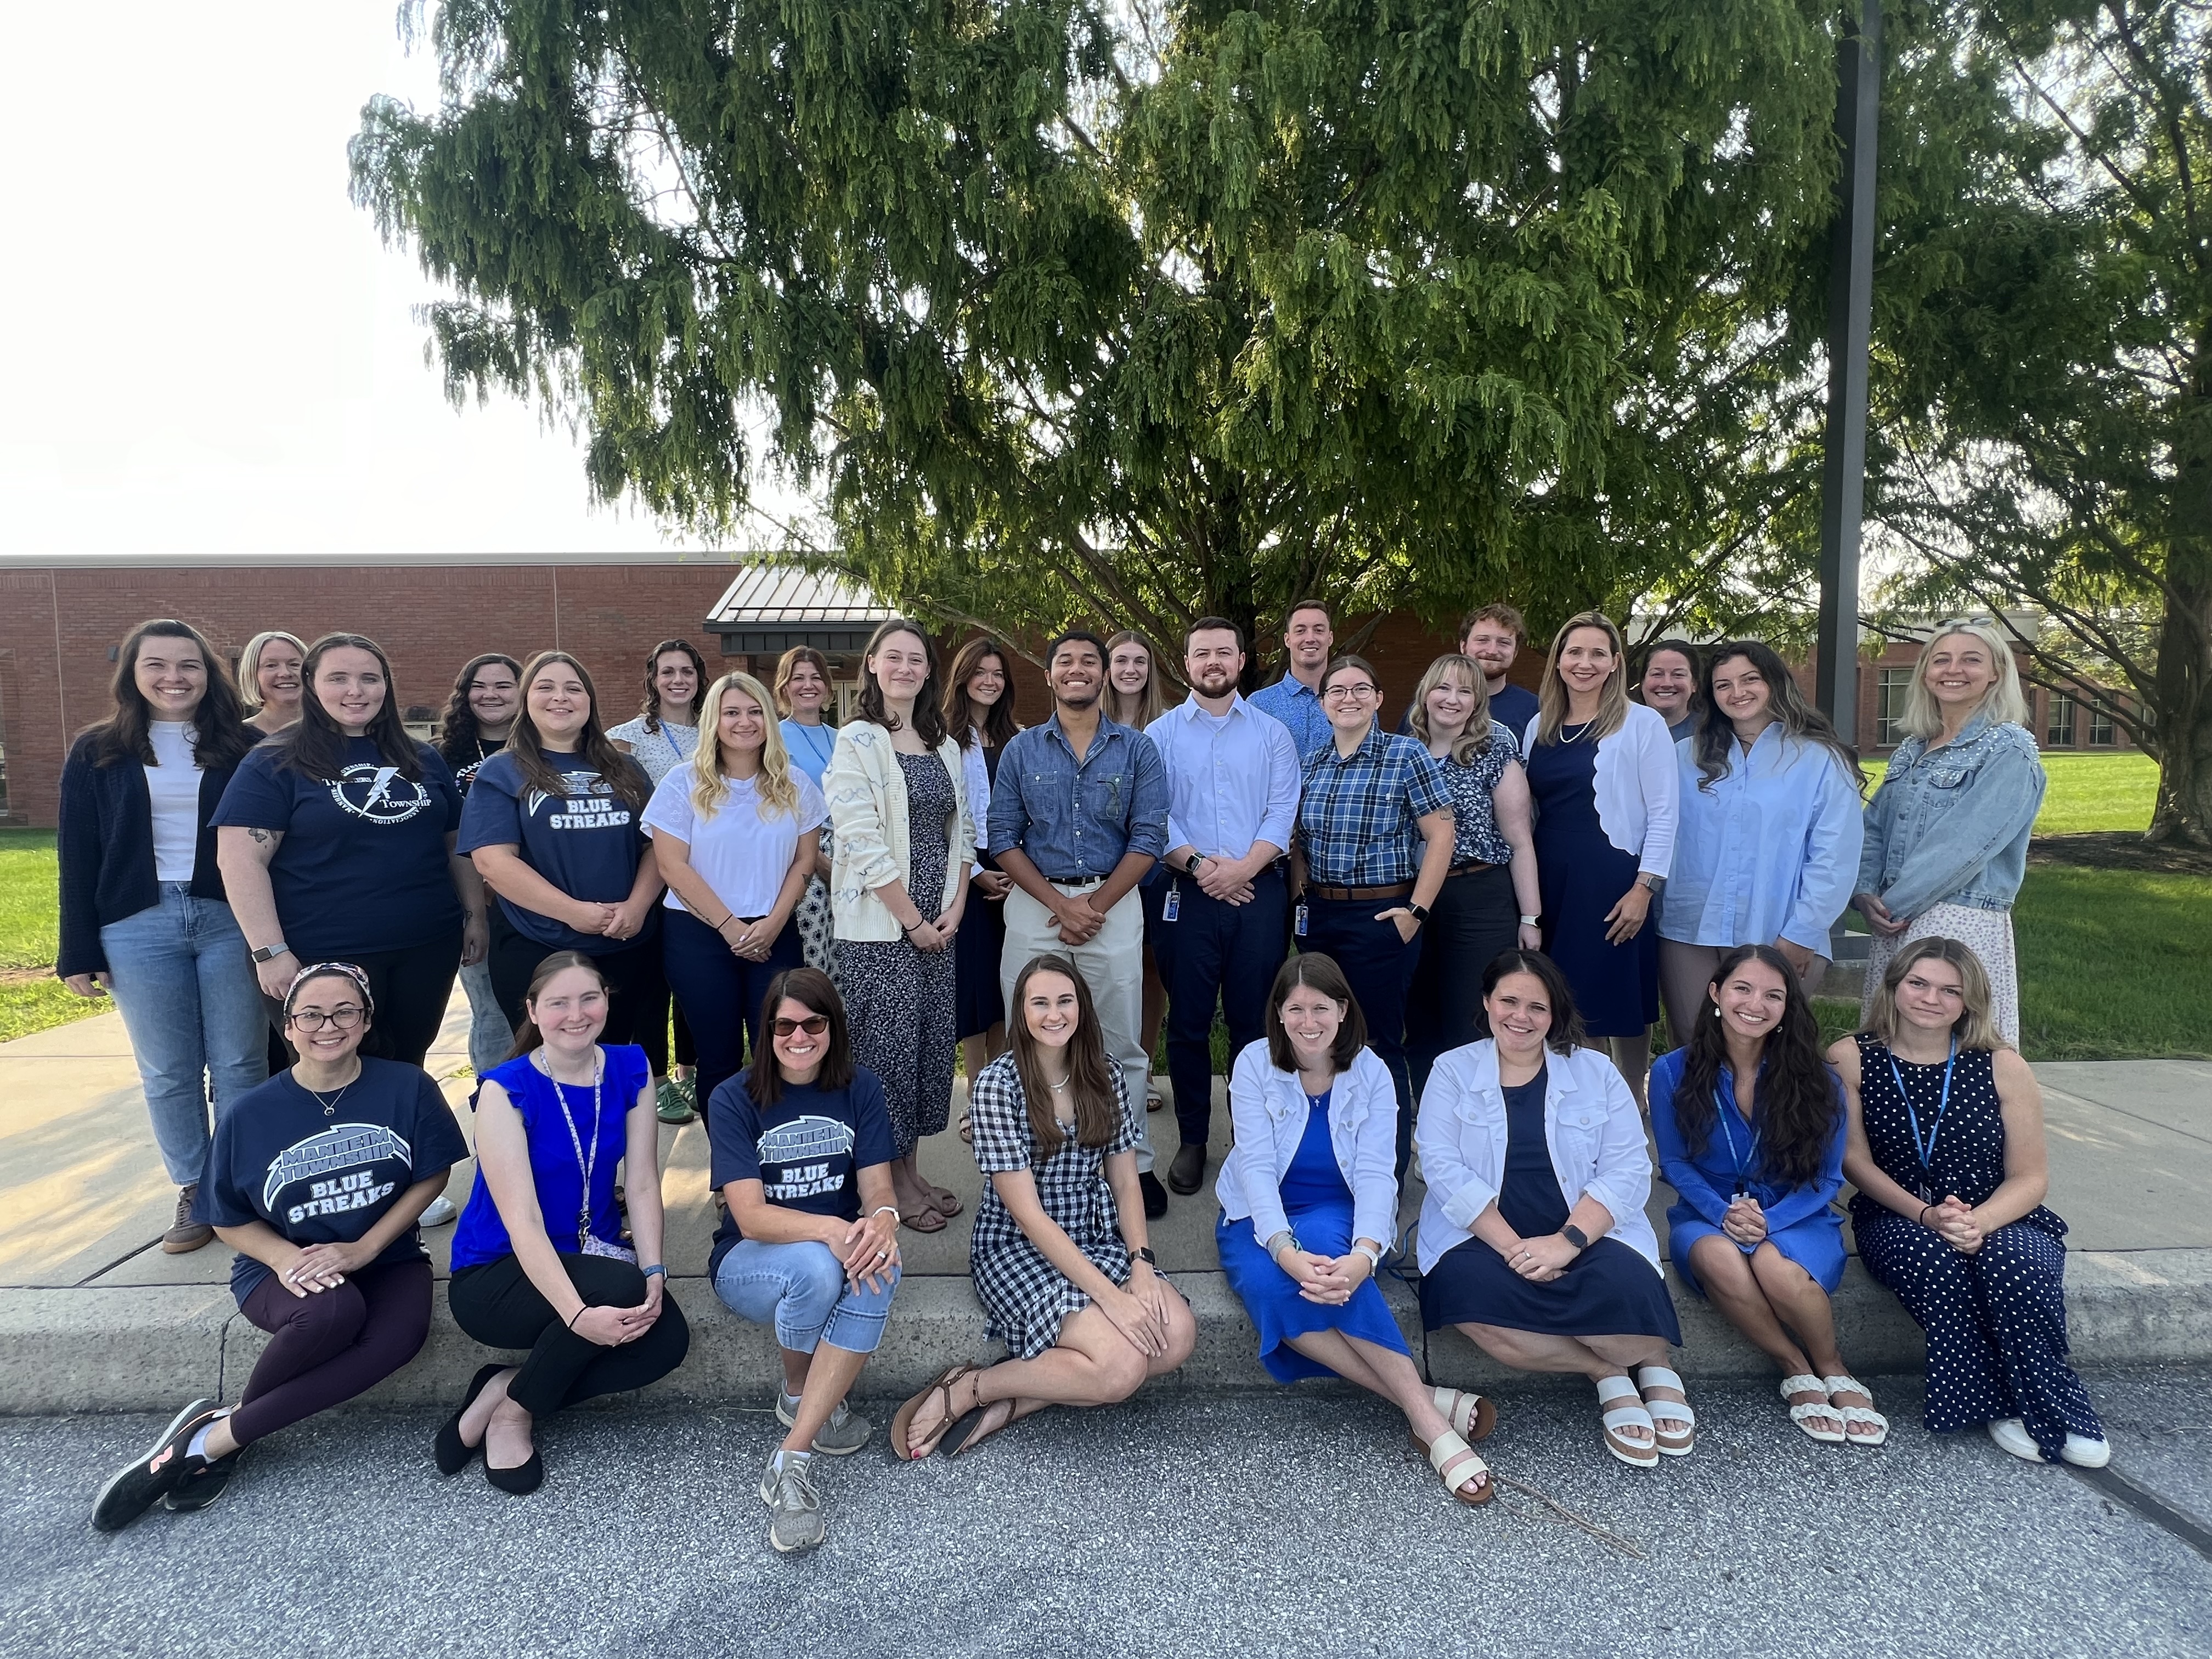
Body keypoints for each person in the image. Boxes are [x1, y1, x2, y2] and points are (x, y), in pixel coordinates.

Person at [88, 963, 468, 1530]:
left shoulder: (406, 1087)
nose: (328, 1025)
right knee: (332, 1312)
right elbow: (225, 1220)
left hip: (386, 1257)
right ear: (288, 1028)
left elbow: (430, 1178)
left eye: (345, 1011)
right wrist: (287, 1259)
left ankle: (214, 1438)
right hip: (277, 1267)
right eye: (310, 1014)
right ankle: (215, 1442)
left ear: (365, 1022)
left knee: (398, 1338)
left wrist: (364, 1248)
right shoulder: (250, 1113)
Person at [1217, 955, 1496, 1504]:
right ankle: (1423, 1408)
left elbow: (1374, 1173)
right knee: (1275, 1286)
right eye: (1294, 1008)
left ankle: (1427, 1422)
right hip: (1256, 1212)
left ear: (1343, 1011)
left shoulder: (1372, 1072)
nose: (1308, 1021)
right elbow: (1253, 1167)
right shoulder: (1253, 1063)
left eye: (1320, 1007)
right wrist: (1281, 1248)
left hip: (1335, 1206)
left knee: (1332, 1262)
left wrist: (1366, 1253)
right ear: (1278, 1013)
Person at [891, 956, 1195, 1458]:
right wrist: (1112, 1298)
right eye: (1040, 1003)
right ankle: (970, 1388)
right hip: (1017, 1247)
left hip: (1093, 1235)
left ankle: (1019, 1398)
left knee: (1178, 1335)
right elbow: (1029, 1218)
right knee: (1121, 1368)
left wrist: (1142, 1266)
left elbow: (1124, 1183)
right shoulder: (998, 1085)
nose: (1054, 1015)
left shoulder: (1106, 1073)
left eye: (1064, 1001)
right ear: (1022, 1011)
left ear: (1082, 1007)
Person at [1832, 938, 2108, 1467]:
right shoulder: (1852, 1057)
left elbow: (2031, 1176)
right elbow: (1855, 1163)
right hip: (1897, 1213)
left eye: (1949, 990)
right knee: (1936, 1263)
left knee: (2016, 1262)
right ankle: (2004, 1402)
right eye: (1918, 983)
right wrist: (1927, 1215)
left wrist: (1977, 1222)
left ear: (1970, 1001)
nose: (1930, 998)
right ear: (1894, 987)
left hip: (1998, 1211)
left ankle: (2059, 1401)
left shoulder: (2002, 1065)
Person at [1414, 951, 1692, 1468]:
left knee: (1634, 1314)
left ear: (1555, 1013)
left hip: (1585, 1232)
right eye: (1509, 1002)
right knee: (1473, 1307)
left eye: (1536, 1007)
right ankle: (1607, 1374)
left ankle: (1651, 1357)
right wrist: (1519, 1252)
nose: (1521, 1017)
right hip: (1485, 1237)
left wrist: (1566, 1243)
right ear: (1487, 1003)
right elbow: (1443, 1169)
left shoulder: (1597, 1072)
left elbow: (1630, 1168)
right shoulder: (1451, 1071)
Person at [443, 953, 690, 1493]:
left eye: (589, 999)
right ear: (533, 1012)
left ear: (607, 1001)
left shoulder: (631, 1067)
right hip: (498, 1275)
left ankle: (505, 1388)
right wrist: (578, 1317)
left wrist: (654, 1270)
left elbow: (644, 1182)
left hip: (596, 1261)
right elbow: (524, 1223)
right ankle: (517, 1415)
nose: (575, 1015)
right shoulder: (503, 1090)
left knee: (667, 1340)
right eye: (558, 1003)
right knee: (620, 1291)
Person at [58, 619, 267, 1254]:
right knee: (169, 1071)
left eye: (189, 666)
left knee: (240, 1063)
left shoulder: (241, 748)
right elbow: (79, 852)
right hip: (136, 923)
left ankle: (240, 1189)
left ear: (210, 676)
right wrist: (78, 950)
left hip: (228, 916)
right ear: (133, 674)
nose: (174, 677)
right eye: (158, 665)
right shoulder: (98, 749)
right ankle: (193, 1187)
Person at [213, 633, 487, 1070]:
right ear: (312, 684)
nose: (356, 691)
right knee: (331, 1074)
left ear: (386, 686)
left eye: (369, 678)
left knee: (406, 1066)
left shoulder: (421, 758)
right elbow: (241, 859)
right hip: (319, 953)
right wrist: (269, 951)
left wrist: (475, 915)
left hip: (425, 948)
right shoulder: (274, 761)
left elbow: (455, 841)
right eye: (338, 678)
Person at [1649, 945, 1884, 1446]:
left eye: (1773, 995)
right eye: (1742, 988)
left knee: (1776, 1266)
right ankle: (1793, 1364)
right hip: (1707, 1210)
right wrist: (1723, 1212)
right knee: (1718, 1256)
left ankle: (1832, 1363)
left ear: (1787, 1006)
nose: (1755, 1004)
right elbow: (1674, 1163)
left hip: (1796, 1212)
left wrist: (1768, 1223)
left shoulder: (1820, 1080)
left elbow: (1825, 1180)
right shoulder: (1672, 1070)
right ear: (1716, 993)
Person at [708, 968, 900, 1553]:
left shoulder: (860, 1087)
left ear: (832, 1028)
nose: (799, 1036)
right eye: (784, 1025)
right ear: (765, 1031)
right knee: (818, 1267)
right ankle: (799, 1388)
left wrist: (885, 1222)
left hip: (835, 1244)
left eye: (814, 1023)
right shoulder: (732, 1097)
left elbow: (878, 1190)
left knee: (881, 1264)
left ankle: (792, 1457)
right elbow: (750, 1217)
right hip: (750, 1260)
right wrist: (832, 1231)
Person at [988, 630, 1170, 1216]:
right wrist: (1060, 905)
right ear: (1049, 676)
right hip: (1035, 903)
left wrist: (1093, 905)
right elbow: (1001, 838)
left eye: (1089, 662)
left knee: (1119, 1042)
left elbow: (1148, 838)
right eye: (1064, 661)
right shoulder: (1021, 751)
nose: (1077, 670)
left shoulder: (1138, 750)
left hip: (1112, 904)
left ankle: (1134, 1165)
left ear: (1104, 675)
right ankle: (1034, 1159)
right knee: (1031, 1034)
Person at [824, 618, 973, 1233]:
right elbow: (858, 840)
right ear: (875, 667)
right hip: (882, 930)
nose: (907, 668)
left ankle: (910, 1173)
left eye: (918, 659)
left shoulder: (944, 745)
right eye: (896, 658)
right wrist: (912, 920)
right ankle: (883, 1190)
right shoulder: (856, 740)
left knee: (925, 1053)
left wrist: (956, 906)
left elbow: (961, 832)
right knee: (884, 1060)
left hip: (939, 925)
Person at [1143, 617, 1297, 1194]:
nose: (1213, 662)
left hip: (1258, 893)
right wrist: (1206, 868)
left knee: (1253, 1022)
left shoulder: (1271, 734)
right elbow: (1154, 814)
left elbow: (1282, 812)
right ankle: (1192, 1139)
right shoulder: (1159, 736)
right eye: (1202, 653)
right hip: (1186, 890)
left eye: (1224, 653)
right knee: (1186, 1023)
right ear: (1186, 664)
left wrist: (1241, 869)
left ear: (1240, 663)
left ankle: (1250, 1139)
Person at [1291, 653, 1453, 1175]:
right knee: (1324, 1038)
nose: (1349, 699)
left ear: (1380, 699)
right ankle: (1336, 1154)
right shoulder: (1312, 763)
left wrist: (1416, 911)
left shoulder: (1406, 756)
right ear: (1323, 704)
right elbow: (1298, 842)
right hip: (1321, 918)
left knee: (1379, 1042)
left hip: (1384, 916)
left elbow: (1440, 834)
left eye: (1361, 689)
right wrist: (1300, 898)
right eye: (1337, 691)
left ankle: (1390, 1169)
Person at [1659, 639, 1864, 1047]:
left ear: (1774, 682)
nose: (1737, 693)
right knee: (1695, 1044)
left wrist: (1803, 932)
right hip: (1690, 928)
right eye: (1723, 685)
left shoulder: (1820, 760)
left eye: (1750, 680)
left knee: (1766, 1047)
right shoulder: (1684, 756)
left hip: (1780, 928)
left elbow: (1835, 856)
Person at [645, 672, 825, 1127]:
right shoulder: (681, 783)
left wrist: (772, 923)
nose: (744, 722)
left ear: (769, 718)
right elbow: (672, 866)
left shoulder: (795, 784)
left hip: (775, 932)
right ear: (714, 721)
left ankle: (778, 1156)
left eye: (754, 712)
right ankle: (729, 1176)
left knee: (781, 1047)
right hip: (699, 938)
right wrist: (731, 927)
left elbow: (805, 862)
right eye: (731, 712)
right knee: (718, 1056)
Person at [459, 651, 664, 1047]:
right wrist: (574, 913)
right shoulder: (502, 771)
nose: (561, 698)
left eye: (574, 688)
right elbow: (494, 862)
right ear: (526, 699)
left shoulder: (627, 769)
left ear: (590, 701)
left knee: (612, 1061)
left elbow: (658, 846)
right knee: (545, 1067)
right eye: (545, 687)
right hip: (536, 946)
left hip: (624, 944)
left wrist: (637, 907)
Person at [1854, 620, 2045, 1044]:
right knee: (1893, 1045)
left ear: (1996, 671)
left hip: (1958, 920)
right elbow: (1876, 826)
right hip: (1896, 919)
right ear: (1925, 672)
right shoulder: (1916, 747)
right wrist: (1865, 893)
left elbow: (1964, 846)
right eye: (1941, 660)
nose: (1953, 669)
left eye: (1970, 660)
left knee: (1956, 1049)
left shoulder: (2008, 749)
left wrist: (1891, 906)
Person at [1520, 612, 1677, 1108]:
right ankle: (1590, 1098)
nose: (1584, 663)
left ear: (1614, 664)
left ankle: (1633, 1098)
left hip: (1611, 879)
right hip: (1552, 879)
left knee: (1621, 994)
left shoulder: (1641, 722)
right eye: (1574, 652)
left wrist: (1644, 888)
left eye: (1596, 654)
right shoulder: (1537, 726)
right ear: (1559, 661)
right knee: (1570, 995)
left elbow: (1665, 811)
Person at [1402, 652, 1543, 1102]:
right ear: (1426, 692)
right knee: (1418, 1013)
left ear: (1478, 701)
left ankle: (1473, 1119)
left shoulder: (1495, 745)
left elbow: (1519, 838)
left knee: (1470, 1016)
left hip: (1479, 896)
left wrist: (1531, 917)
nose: (1452, 699)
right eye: (1443, 687)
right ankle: (1428, 1119)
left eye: (1465, 691)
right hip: (1416, 897)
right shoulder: (1403, 748)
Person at [609, 639, 710, 1120]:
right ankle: (655, 1077)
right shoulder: (626, 738)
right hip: (651, 876)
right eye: (667, 671)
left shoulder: (716, 730)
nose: (677, 680)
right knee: (653, 985)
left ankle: (690, 1072)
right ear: (652, 678)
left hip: (708, 877)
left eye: (686, 671)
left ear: (698, 677)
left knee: (695, 980)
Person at [437, 653, 525, 1078]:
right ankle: (493, 1105)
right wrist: (474, 908)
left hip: (537, 900)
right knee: (490, 1009)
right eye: (480, 685)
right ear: (465, 694)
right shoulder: (440, 757)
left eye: (504, 686)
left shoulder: (544, 749)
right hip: (474, 904)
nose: (491, 694)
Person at [944, 635, 1019, 1080]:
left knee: (1007, 984)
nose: (989, 682)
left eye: (997, 674)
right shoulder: (942, 736)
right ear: (963, 677)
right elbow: (943, 817)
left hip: (1013, 868)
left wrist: (1010, 869)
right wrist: (975, 874)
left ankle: (1002, 1085)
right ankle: (976, 1091)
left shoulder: (1017, 736)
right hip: (965, 871)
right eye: (980, 672)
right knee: (974, 988)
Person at [1106, 629, 1173, 1111]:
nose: (1131, 669)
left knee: (1150, 972)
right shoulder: (1086, 721)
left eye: (1140, 661)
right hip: (1104, 870)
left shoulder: (1168, 727)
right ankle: (1099, 1068)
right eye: (1121, 660)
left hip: (1157, 868)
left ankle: (1144, 1067)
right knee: (1102, 972)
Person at [774, 645, 841, 990]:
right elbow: (782, 810)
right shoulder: (773, 739)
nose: (808, 685)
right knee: (814, 963)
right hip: (805, 856)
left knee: (849, 957)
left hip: (850, 853)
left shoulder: (842, 738)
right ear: (784, 688)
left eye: (816, 677)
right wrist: (819, 861)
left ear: (828, 687)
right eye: (797, 678)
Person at [1248, 598, 1337, 763]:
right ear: (1287, 640)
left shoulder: (1352, 702)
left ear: (1330, 638)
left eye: (1318, 630)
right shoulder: (1259, 705)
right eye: (1301, 631)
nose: (1310, 638)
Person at [237, 630, 307, 738]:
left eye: (294, 664)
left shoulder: (333, 730)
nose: (285, 673)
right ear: (252, 674)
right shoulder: (236, 738)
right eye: (271, 665)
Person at [1636, 640, 1701, 742]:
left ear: (1694, 684)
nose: (1667, 683)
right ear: (1642, 682)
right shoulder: (1618, 731)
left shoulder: (1712, 733)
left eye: (1678, 675)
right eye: (1657, 674)